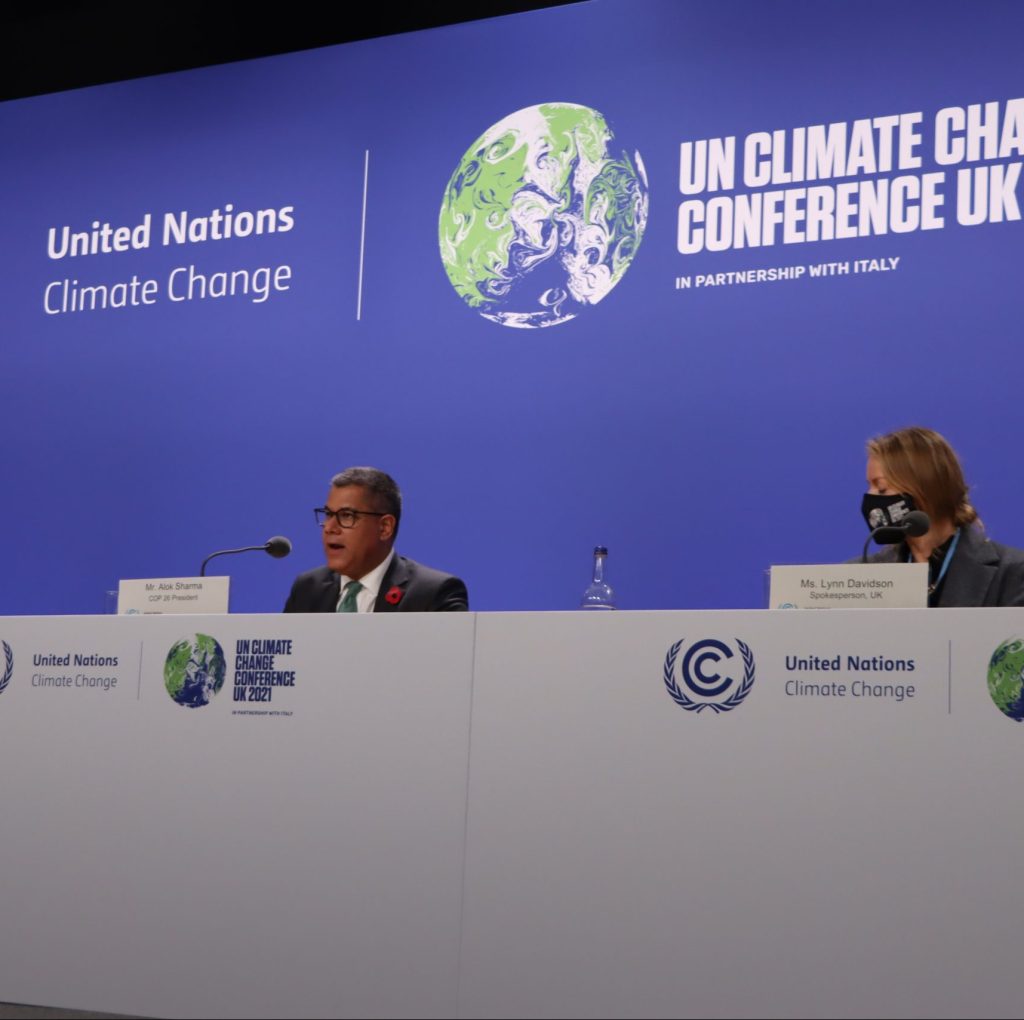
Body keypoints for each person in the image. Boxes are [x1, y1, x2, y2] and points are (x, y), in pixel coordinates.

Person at [860, 426, 1024, 607]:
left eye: (881, 487)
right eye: (869, 486)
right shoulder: (858, 578)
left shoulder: (1012, 572)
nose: (871, 497)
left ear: (925, 488)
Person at [284, 467, 468, 613]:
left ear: (385, 527)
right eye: (328, 514)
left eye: (347, 516)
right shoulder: (307, 589)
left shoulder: (433, 593)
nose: (330, 528)